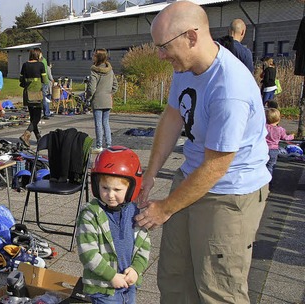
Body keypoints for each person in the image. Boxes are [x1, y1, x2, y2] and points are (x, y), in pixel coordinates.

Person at [135, 2, 271, 303]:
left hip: (229, 193)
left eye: (164, 47)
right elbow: (173, 116)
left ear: (192, 37)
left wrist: (166, 208)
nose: (160, 55)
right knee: (174, 277)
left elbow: (216, 168)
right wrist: (151, 173)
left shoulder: (229, 88)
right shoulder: (186, 68)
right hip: (191, 176)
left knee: (217, 289)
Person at [76, 146, 150, 304]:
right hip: (104, 287)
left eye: (117, 189)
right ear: (96, 185)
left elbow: (144, 244)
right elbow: (87, 253)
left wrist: (137, 269)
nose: (110, 195)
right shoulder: (91, 214)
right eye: (104, 188)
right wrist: (111, 276)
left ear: (131, 188)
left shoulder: (134, 212)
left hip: (129, 284)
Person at [87, 49, 118, 153]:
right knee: (106, 123)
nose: (92, 56)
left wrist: (88, 98)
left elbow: (91, 88)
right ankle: (109, 145)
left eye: (93, 55)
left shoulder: (94, 71)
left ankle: (99, 145)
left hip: (97, 100)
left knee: (98, 124)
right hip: (107, 100)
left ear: (97, 57)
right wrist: (109, 93)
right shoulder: (110, 70)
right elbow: (115, 86)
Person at [18, 48, 47, 147]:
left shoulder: (25, 65)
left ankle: (39, 137)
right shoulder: (41, 65)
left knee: (32, 118)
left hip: (27, 94)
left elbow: (21, 79)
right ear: (37, 55)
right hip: (37, 93)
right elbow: (44, 79)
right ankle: (26, 134)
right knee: (37, 118)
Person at [265, 108, 294, 176]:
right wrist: (292, 136)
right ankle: (268, 181)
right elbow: (285, 138)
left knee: (263, 164)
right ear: (278, 119)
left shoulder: (264, 127)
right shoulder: (280, 130)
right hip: (274, 149)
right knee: (271, 165)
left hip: (264, 148)